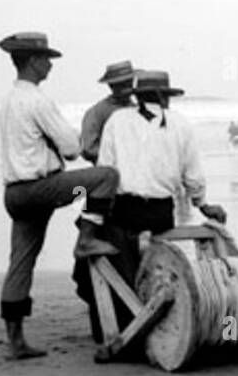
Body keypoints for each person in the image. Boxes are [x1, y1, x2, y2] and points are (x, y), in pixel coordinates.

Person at [77, 69, 227, 351]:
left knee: (95, 232)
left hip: (124, 210)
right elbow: (193, 175)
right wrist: (203, 204)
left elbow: (104, 172)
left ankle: (116, 321)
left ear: (137, 95)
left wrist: (92, 215)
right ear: (165, 97)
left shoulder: (117, 120)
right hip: (160, 214)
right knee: (113, 232)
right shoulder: (181, 124)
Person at [0, 31, 120, 359]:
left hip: (16, 194)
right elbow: (71, 148)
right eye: (46, 59)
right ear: (34, 62)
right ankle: (87, 238)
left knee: (21, 261)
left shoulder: (9, 100)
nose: (50, 65)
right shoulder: (37, 100)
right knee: (104, 179)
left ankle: (16, 341)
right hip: (44, 190)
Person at [80, 61, 137, 162]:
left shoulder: (138, 110)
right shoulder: (96, 113)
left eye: (129, 82)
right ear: (111, 85)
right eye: (121, 84)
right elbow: (88, 149)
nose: (127, 88)